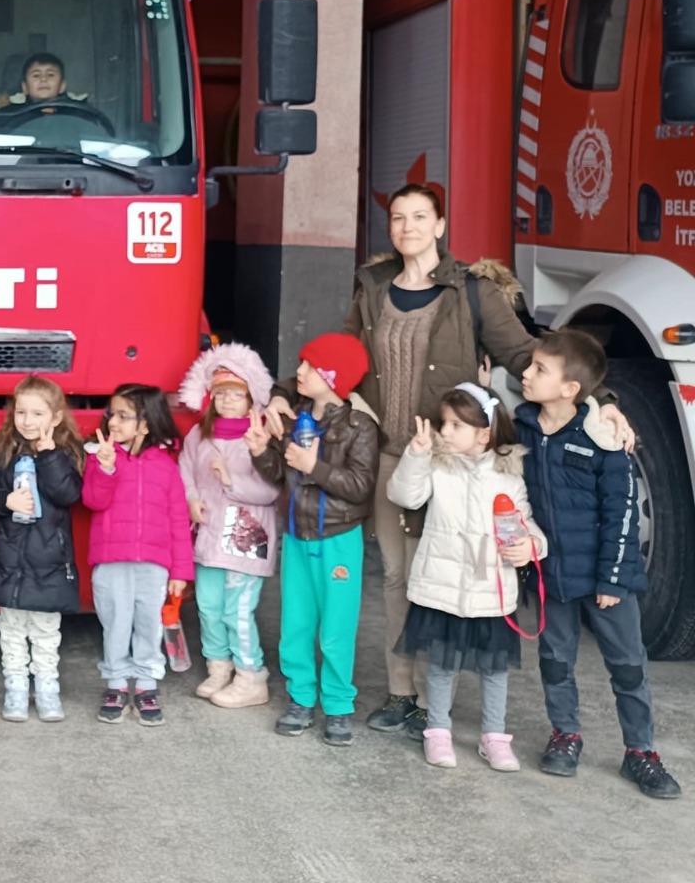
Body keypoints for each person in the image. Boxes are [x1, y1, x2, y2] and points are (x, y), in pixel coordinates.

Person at [263, 183, 633, 739]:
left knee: (448, 572)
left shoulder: (473, 290)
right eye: (398, 217)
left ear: (439, 227)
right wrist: (284, 390)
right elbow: (342, 359)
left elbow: (528, 355)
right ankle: (403, 694)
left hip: (454, 460)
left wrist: (600, 400)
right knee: (397, 579)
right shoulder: (373, 287)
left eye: (420, 217)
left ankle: (441, 703)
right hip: (393, 455)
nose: (407, 226)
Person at [516, 330, 681, 799]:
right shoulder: (524, 425)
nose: (526, 374)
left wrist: (612, 577)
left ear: (571, 389)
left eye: (539, 369)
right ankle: (565, 734)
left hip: (606, 577)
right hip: (554, 576)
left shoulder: (603, 435)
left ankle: (640, 752)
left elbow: (624, 511)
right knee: (554, 660)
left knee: (628, 666)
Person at [388, 385, 544, 771]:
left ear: (484, 432)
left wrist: (532, 547)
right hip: (442, 588)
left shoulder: (509, 477)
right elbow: (404, 495)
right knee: (441, 665)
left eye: (456, 424)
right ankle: (438, 730)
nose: (445, 431)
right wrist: (417, 454)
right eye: (445, 423)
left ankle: (494, 737)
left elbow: (527, 525)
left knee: (494, 669)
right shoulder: (438, 467)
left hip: (490, 591)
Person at [248, 333, 379, 747]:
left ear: (333, 377)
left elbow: (360, 486)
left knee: (337, 628)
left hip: (339, 538)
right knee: (296, 623)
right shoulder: (293, 418)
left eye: (309, 366)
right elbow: (279, 476)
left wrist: (314, 466)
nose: (299, 372)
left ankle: (339, 706)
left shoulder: (360, 428)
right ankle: (301, 698)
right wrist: (260, 451)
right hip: (298, 535)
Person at [0, 376, 85, 722]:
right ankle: (16, 687)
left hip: (48, 560)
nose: (27, 420)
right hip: (8, 558)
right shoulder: (0, 450)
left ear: (55, 417)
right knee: (10, 628)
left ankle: (48, 687)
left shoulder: (66, 453)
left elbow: (68, 495)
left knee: (45, 631)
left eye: (37, 413)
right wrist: (5, 500)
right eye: (21, 412)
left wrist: (48, 456)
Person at [81, 384, 191, 726]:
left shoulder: (166, 466)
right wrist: (106, 467)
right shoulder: (101, 457)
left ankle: (145, 683)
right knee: (114, 623)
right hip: (112, 561)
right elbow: (93, 501)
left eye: (124, 415)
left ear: (145, 424)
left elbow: (178, 520)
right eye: (112, 413)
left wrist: (180, 572)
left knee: (149, 623)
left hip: (155, 566)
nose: (114, 421)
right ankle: (115, 682)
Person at [178, 343, 279, 709]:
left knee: (237, 609)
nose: (227, 401)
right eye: (220, 394)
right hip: (208, 534)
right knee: (208, 604)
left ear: (252, 398)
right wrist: (191, 499)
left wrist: (230, 479)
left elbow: (270, 491)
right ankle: (218, 667)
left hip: (245, 536)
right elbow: (185, 468)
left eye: (236, 394)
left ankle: (250, 675)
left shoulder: (261, 439)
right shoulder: (199, 436)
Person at [0, 52, 91, 111]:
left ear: (62, 86)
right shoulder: (9, 114)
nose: (43, 79)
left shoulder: (80, 113)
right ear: (25, 88)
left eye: (50, 75)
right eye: (36, 75)